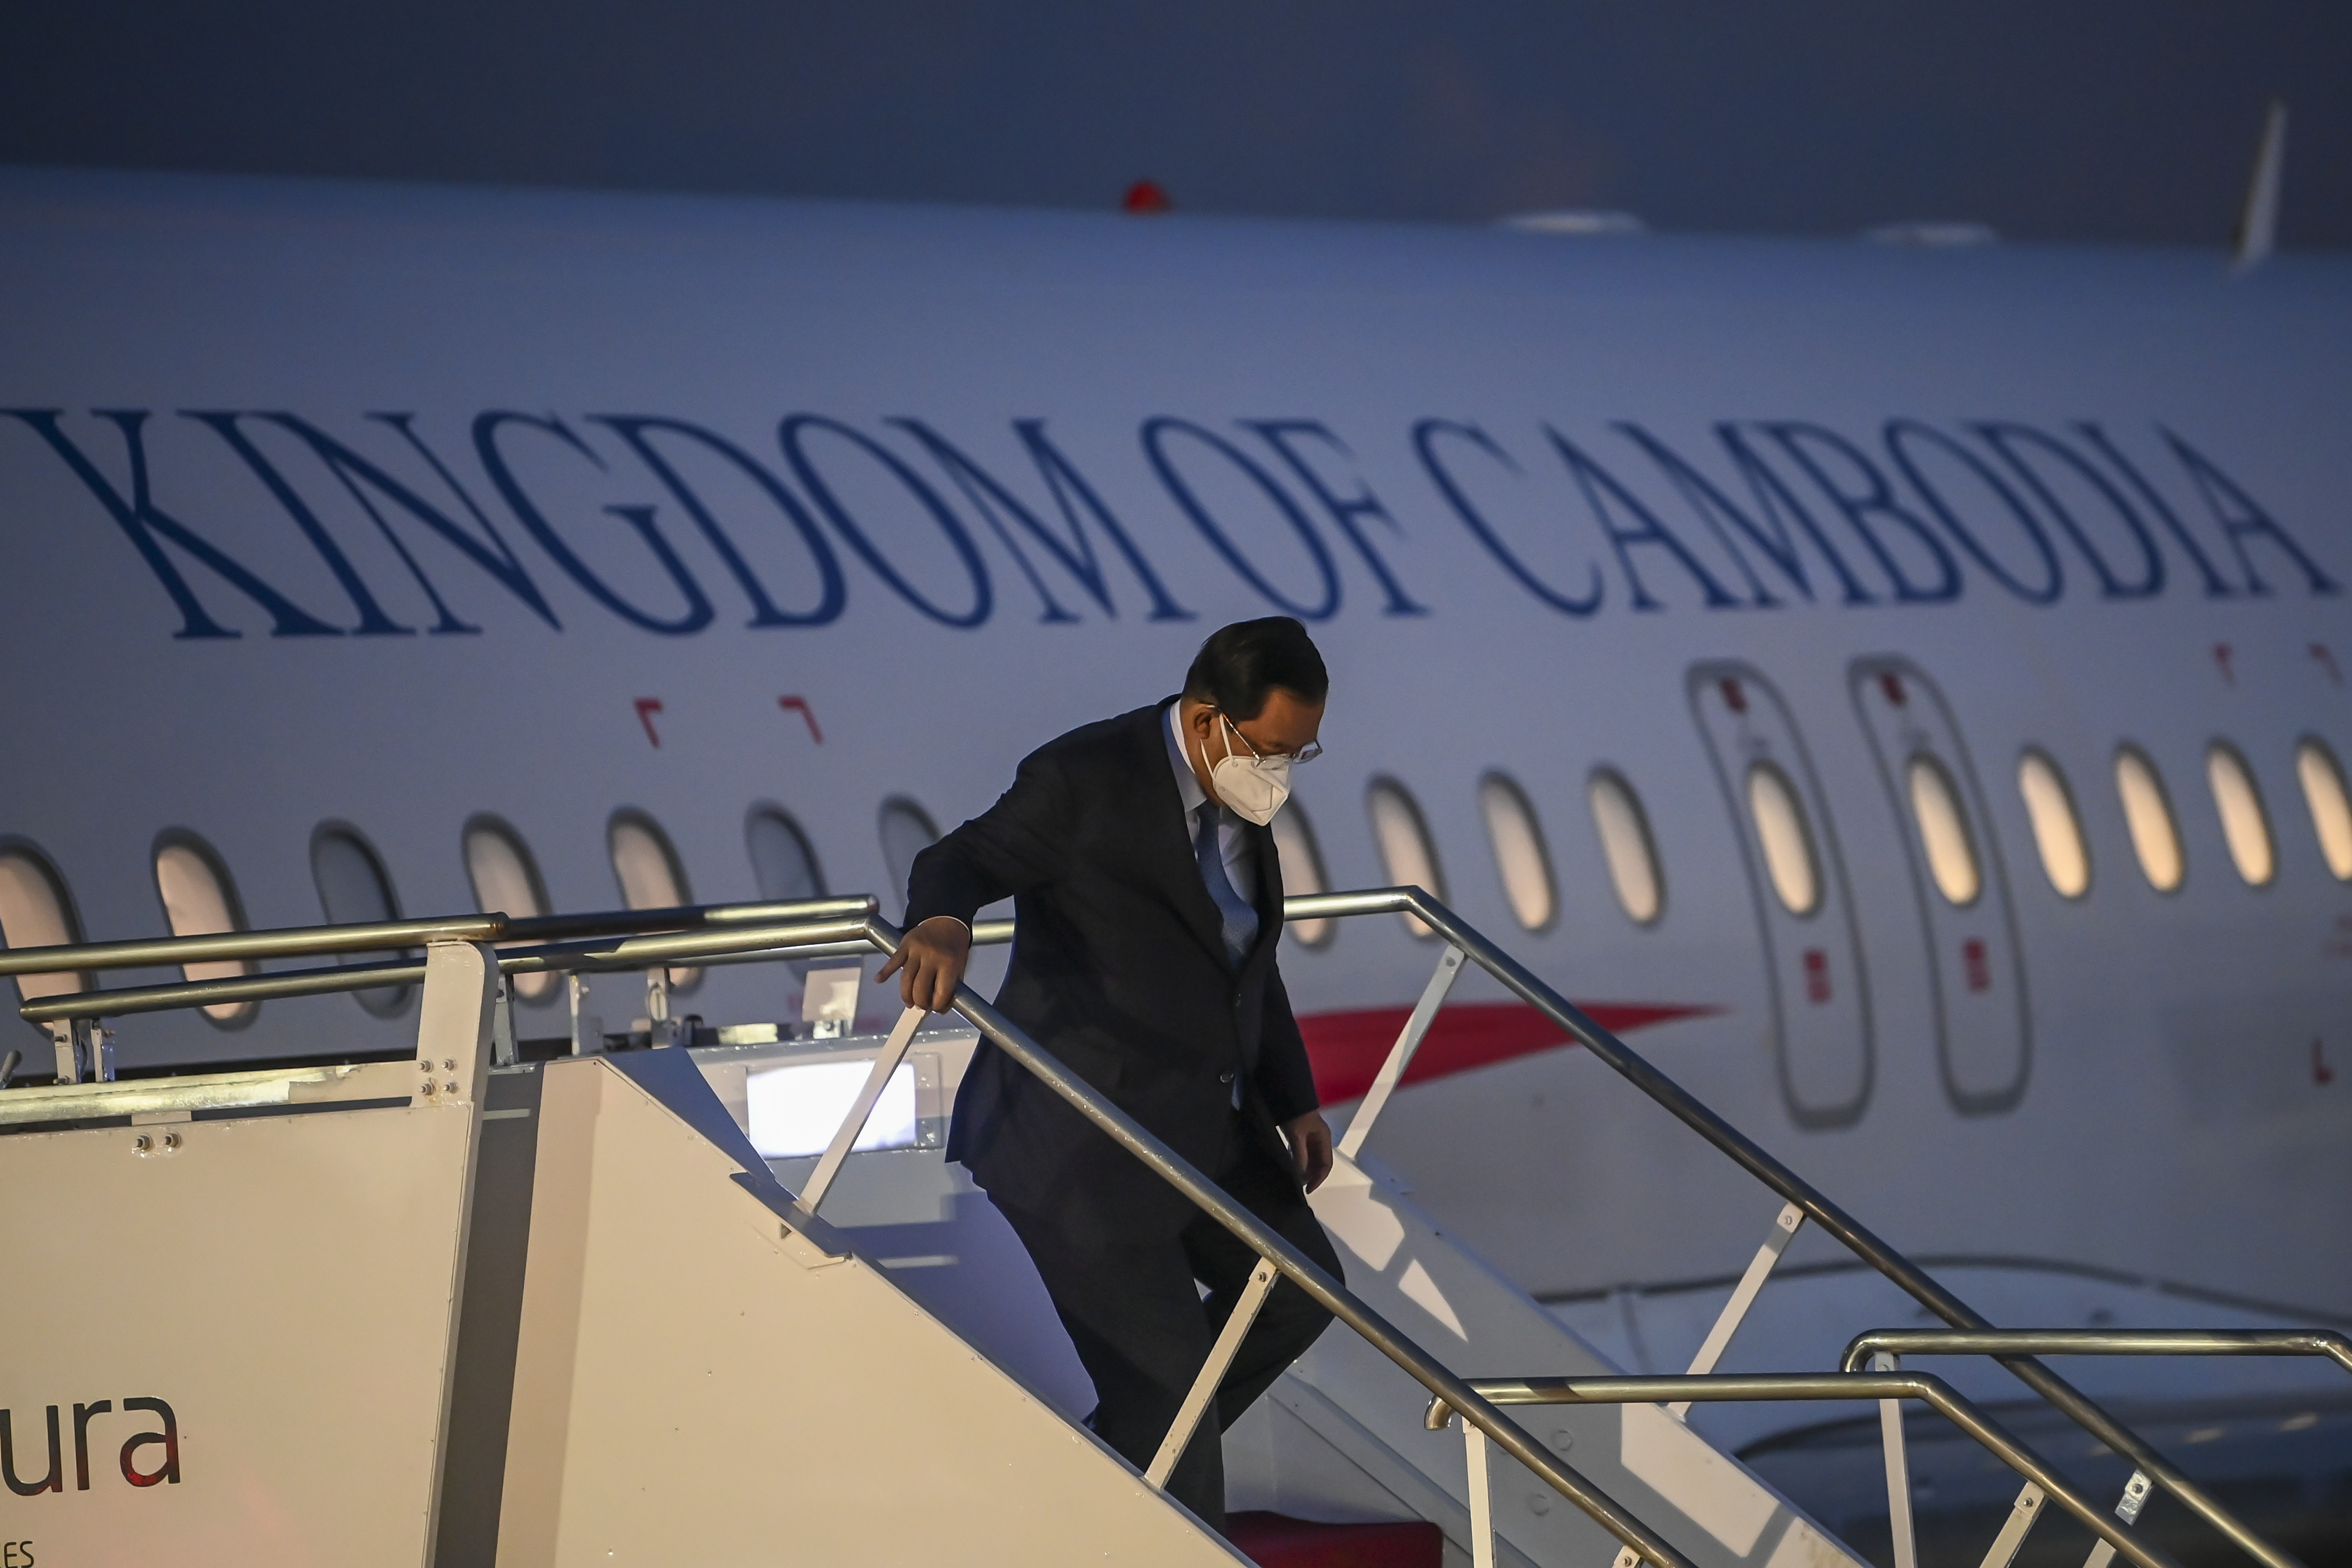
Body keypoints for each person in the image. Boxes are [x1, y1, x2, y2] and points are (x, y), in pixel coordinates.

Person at [879, 616, 1343, 1531]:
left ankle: (1125, 1464)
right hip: (1081, 1144)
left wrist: (1295, 1100)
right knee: (1172, 1401)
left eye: (1301, 753)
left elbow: (1244, 962)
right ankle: (1155, 1472)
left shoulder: (1238, 803)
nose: (1283, 772)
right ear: (1208, 722)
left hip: (1202, 1127)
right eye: (1272, 749)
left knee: (1301, 1295)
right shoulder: (1086, 779)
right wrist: (943, 922)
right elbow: (960, 858)